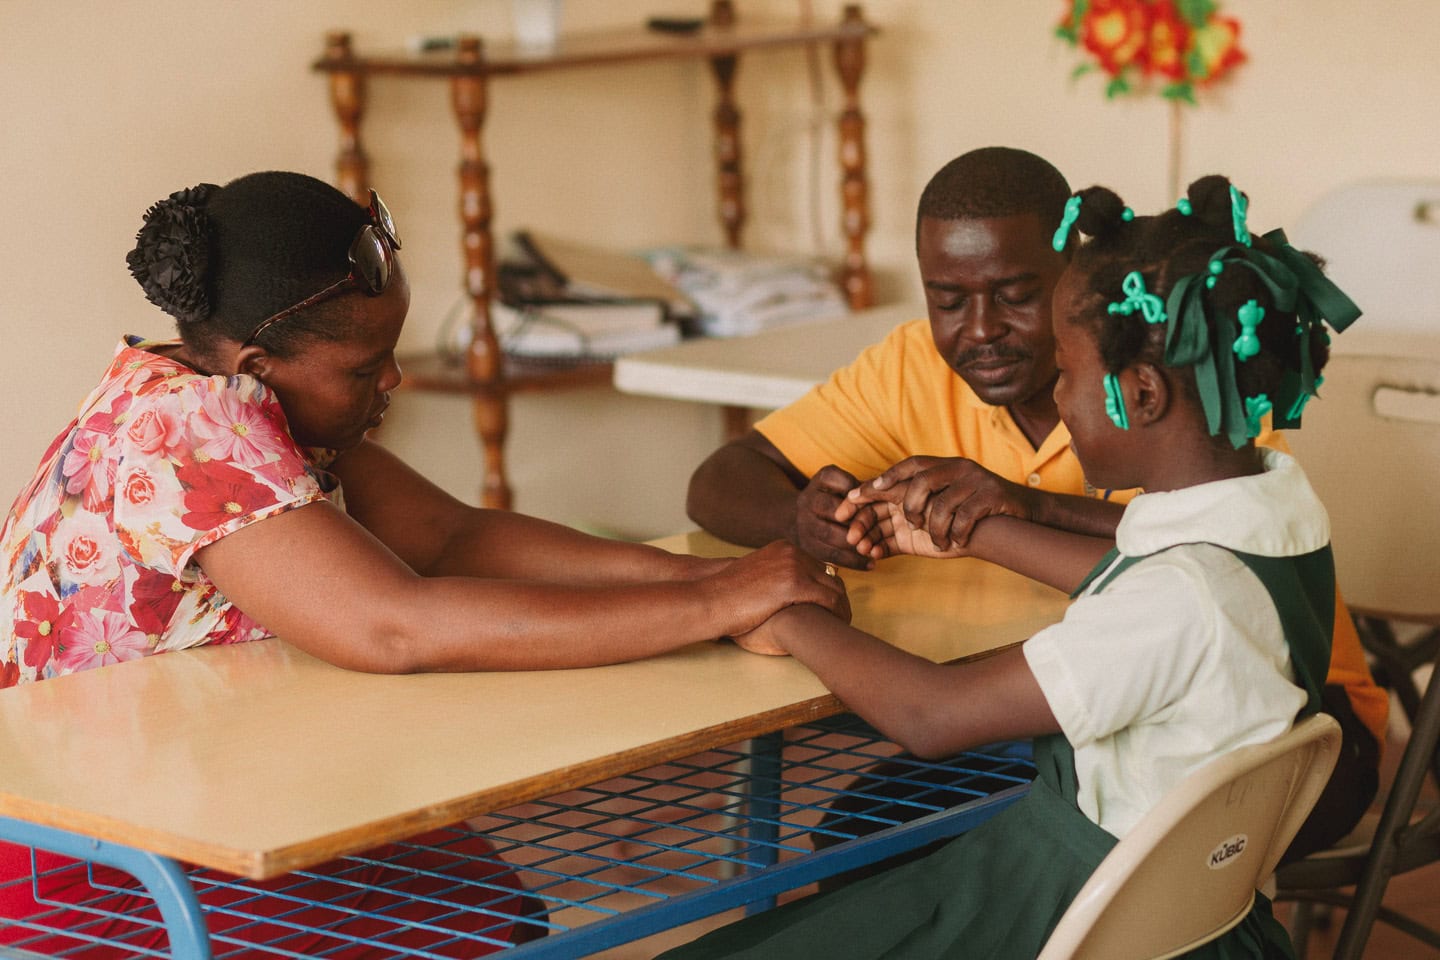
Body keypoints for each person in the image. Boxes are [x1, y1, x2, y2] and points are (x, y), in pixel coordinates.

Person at [0, 171, 848, 954]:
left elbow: (450, 535)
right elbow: (393, 625)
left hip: (220, 789)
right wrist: (717, 608)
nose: (395, 378)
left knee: (493, 906)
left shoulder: (231, 393)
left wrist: (704, 580)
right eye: (366, 366)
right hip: (98, 857)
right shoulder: (187, 431)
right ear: (261, 365)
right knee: (474, 926)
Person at [658, 174, 1358, 960]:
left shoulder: (1179, 600)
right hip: (1182, 908)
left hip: (1068, 905)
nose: (1058, 397)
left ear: (1145, 394)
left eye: (1066, 373)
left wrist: (780, 608)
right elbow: (1136, 562)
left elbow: (933, 717)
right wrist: (979, 529)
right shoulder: (1275, 504)